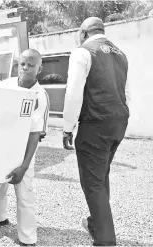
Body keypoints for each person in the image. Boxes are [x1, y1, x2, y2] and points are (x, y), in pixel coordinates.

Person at [62, 17, 131, 246]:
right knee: (100, 177)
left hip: (95, 124)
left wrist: (67, 127)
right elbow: (126, 93)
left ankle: (105, 241)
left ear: (83, 32)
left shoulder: (82, 52)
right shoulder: (121, 54)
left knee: (92, 184)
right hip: (119, 122)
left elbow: (73, 93)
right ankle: (94, 223)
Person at [0, 49, 50, 246]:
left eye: (31, 65)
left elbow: (35, 134)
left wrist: (24, 166)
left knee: (24, 192)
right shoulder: (7, 85)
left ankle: (28, 238)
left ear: (40, 69)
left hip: (23, 150)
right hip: (2, 146)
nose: (26, 68)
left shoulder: (40, 95)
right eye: (22, 64)